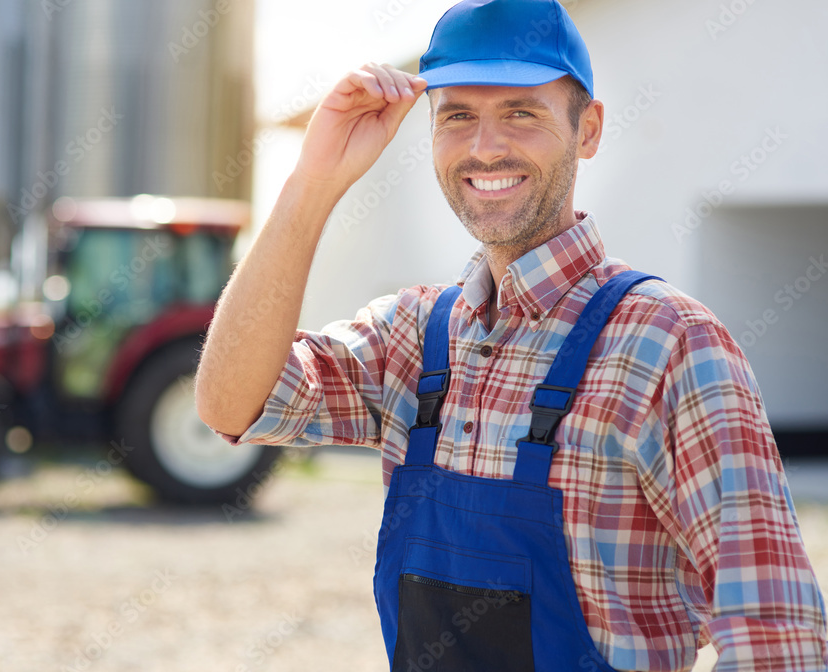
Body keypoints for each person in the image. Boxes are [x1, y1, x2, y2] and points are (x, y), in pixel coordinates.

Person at [195, 0, 828, 669]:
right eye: (458, 116)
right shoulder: (411, 338)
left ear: (588, 129)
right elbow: (234, 403)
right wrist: (312, 182)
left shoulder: (669, 345)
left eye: (521, 112)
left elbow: (776, 636)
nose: (485, 147)